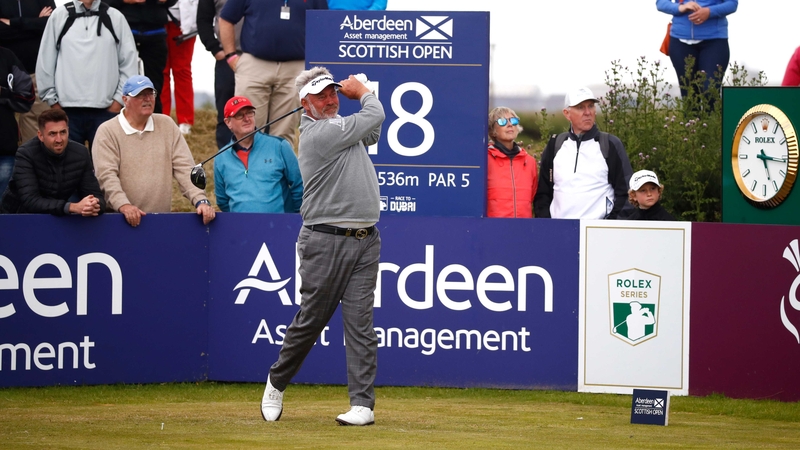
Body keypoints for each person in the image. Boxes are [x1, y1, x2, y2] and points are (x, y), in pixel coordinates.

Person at [260, 67, 384, 426]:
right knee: (311, 321)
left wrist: (364, 93)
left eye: (333, 93)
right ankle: (277, 381)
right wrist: (361, 91)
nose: (331, 101)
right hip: (325, 239)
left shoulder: (341, 128)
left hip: (365, 239)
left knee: (361, 325)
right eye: (321, 96)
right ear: (305, 105)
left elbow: (372, 131)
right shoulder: (318, 133)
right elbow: (374, 113)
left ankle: (362, 404)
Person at [92, 75, 215, 227]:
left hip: (159, 221)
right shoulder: (107, 131)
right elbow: (106, 176)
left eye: (150, 94)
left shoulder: (167, 125)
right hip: (119, 221)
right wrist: (123, 205)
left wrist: (200, 200)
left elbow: (185, 168)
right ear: (125, 100)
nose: (147, 99)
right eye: (140, 95)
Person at [218, 0, 328, 149]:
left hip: (295, 68)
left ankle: (278, 172)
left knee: (284, 134)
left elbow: (323, 24)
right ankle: (249, 172)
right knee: (247, 132)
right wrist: (231, 55)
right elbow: (226, 18)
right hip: (254, 65)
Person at [36, 0, 138, 150]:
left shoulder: (115, 17)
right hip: (66, 112)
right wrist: (54, 104)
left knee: (105, 170)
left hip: (106, 112)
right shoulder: (59, 16)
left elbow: (129, 63)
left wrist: (117, 103)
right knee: (69, 171)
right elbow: (45, 62)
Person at [534, 86, 632, 220]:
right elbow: (543, 194)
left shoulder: (610, 144)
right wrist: (548, 226)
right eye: (580, 107)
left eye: (591, 106)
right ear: (567, 113)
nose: (587, 112)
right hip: (560, 231)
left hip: (597, 233)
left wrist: (609, 227)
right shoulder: (555, 144)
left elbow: (626, 193)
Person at [1, 109, 105, 215]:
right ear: (40, 135)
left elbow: (95, 195)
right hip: (17, 216)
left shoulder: (80, 153)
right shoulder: (26, 154)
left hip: (57, 214)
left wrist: (93, 205)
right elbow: (30, 200)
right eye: (52, 134)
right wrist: (72, 207)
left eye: (63, 132)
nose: (59, 139)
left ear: (68, 131)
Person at [214, 95, 303, 213]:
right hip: (242, 228)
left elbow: (299, 186)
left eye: (250, 113)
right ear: (228, 122)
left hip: (280, 227)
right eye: (239, 115)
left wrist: (291, 219)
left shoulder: (280, 146)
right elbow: (222, 201)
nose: (246, 118)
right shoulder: (221, 158)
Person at [106, 0, 178, 115]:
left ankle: (155, 126)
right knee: (117, 82)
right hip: (124, 30)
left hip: (155, 31)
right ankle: (117, 125)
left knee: (155, 87)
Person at [656, 0, 738, 98]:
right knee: (689, 95)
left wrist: (709, 11)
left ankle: (714, 113)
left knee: (710, 91)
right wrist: (680, 7)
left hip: (714, 41)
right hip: (680, 41)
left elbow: (732, 4)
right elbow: (660, 3)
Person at [0, 0, 56, 143]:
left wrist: (13, 23)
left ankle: (32, 164)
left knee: (40, 126)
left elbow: (49, 24)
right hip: (3, 73)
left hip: (36, 72)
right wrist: (34, 23)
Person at [196, 0, 241, 148]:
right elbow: (203, 20)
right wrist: (214, 48)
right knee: (226, 113)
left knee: (256, 112)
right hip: (227, 58)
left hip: (257, 58)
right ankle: (226, 159)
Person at [486, 106, 537, 218]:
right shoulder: (485, 160)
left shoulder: (530, 162)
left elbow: (533, 196)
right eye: (502, 121)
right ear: (492, 130)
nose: (510, 124)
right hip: (492, 230)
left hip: (523, 229)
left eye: (513, 120)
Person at [0, 46, 34, 194]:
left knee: (4, 210)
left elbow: (27, 97)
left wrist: (3, 92)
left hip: (4, 148)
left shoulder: (6, 56)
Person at [161, 0, 197, 135]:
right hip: (158, 17)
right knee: (161, 70)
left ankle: (185, 120)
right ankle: (162, 118)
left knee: (182, 70)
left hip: (185, 22)